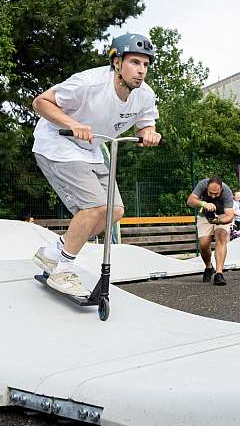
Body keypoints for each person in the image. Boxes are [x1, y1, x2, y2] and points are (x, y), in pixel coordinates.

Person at [30, 33, 162, 297]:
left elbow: (146, 122)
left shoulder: (145, 95)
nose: (141, 71)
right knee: (94, 207)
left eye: (146, 65)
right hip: (58, 142)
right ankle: (62, 269)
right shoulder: (88, 83)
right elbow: (40, 102)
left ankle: (53, 252)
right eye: (135, 62)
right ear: (116, 63)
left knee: (114, 210)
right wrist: (72, 123)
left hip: (92, 147)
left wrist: (150, 132)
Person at [187, 176, 235, 286]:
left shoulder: (226, 191)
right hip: (204, 215)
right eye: (210, 193)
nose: (213, 196)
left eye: (216, 193)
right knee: (204, 244)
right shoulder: (202, 184)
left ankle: (219, 274)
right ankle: (209, 267)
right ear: (207, 187)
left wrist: (218, 221)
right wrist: (203, 203)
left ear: (221, 189)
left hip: (221, 216)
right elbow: (190, 201)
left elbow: (230, 216)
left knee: (221, 237)